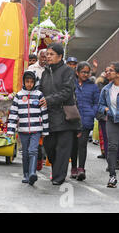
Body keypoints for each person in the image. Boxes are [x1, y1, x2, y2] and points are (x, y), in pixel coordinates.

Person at [39, 43, 81, 186]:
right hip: (48, 117)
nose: (48, 57)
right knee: (48, 146)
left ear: (60, 56)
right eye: (47, 54)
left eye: (51, 54)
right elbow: (40, 90)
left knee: (63, 149)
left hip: (65, 117)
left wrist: (48, 100)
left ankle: (59, 176)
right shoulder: (45, 72)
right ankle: (57, 170)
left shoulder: (68, 71)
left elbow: (67, 91)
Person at [7, 71, 49, 185]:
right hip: (23, 130)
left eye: (31, 82)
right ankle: (26, 174)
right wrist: (10, 129)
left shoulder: (39, 95)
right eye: (27, 81)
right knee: (25, 153)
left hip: (36, 129)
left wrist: (45, 130)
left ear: (35, 82)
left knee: (33, 150)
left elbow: (44, 112)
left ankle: (32, 173)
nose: (29, 84)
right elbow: (13, 113)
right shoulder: (19, 96)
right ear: (24, 82)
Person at [70, 61, 100, 181]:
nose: (85, 74)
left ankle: (81, 168)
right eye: (83, 72)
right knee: (73, 145)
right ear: (77, 72)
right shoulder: (71, 84)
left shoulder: (93, 86)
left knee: (82, 144)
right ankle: (73, 168)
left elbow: (96, 102)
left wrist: (92, 112)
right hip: (72, 120)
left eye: (87, 72)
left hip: (86, 119)